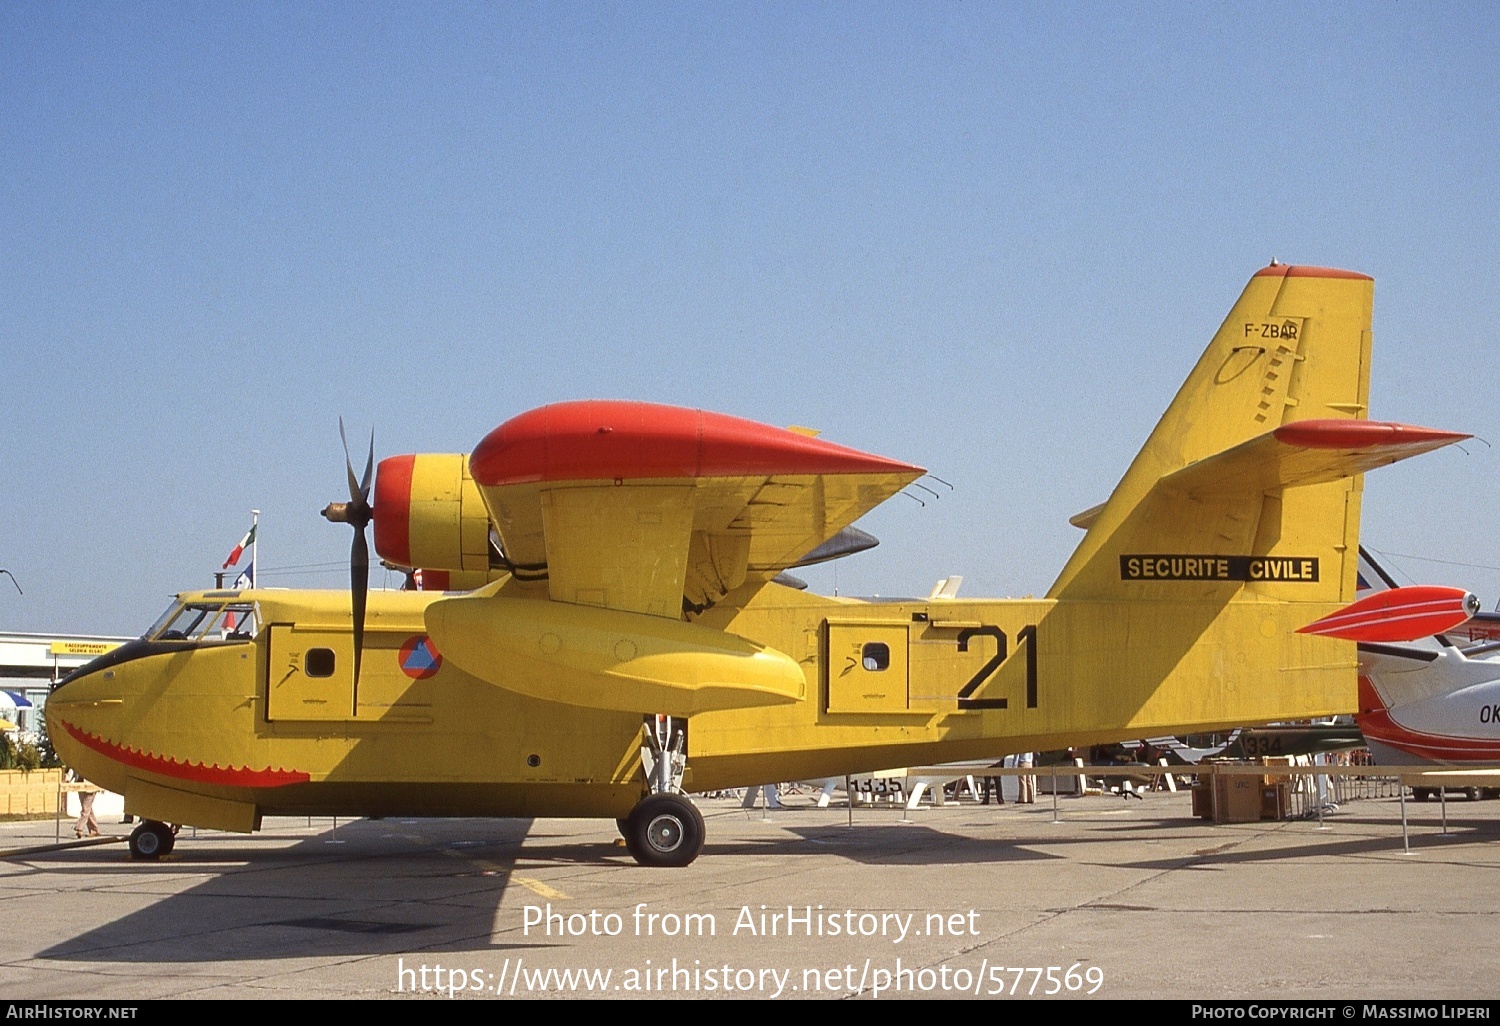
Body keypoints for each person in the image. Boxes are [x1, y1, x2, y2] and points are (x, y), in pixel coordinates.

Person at [69, 769, 101, 838]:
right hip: (80, 786)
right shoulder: (77, 759)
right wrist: (68, 779)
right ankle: (94, 830)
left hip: (90, 786)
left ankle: (79, 828)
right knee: (87, 809)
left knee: (85, 809)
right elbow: (72, 768)